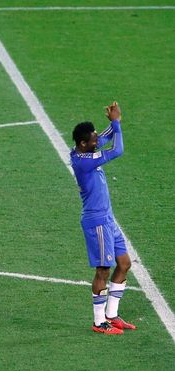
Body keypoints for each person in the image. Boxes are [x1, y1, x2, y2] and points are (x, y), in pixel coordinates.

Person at [70, 102, 137, 335]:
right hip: (96, 221)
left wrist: (113, 121)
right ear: (82, 144)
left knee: (124, 263)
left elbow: (105, 138)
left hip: (108, 219)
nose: (97, 141)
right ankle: (99, 323)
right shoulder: (84, 162)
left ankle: (112, 315)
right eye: (93, 140)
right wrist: (116, 124)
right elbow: (117, 150)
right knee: (103, 270)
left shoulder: (86, 150)